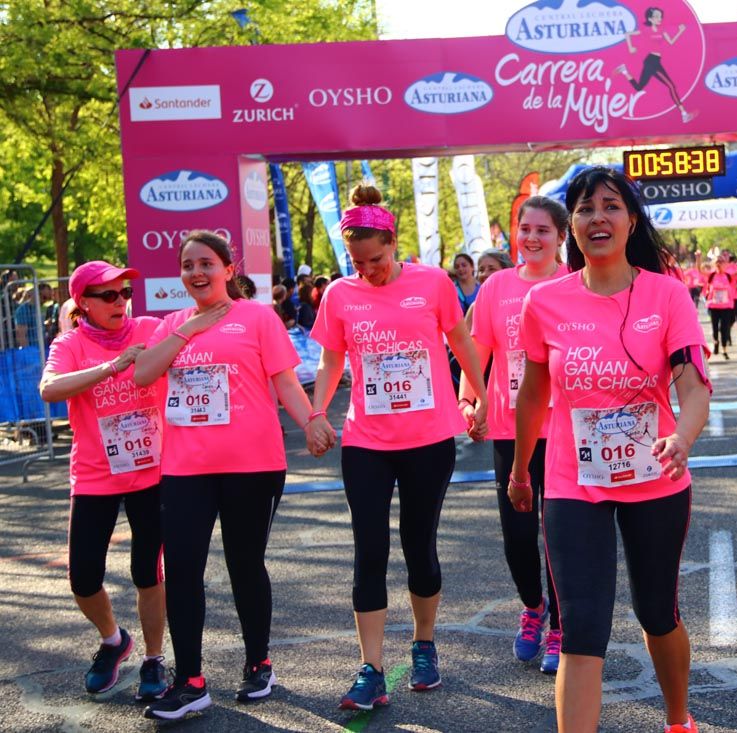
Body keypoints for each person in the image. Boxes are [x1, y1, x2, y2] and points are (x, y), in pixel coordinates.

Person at [510, 167, 710, 733]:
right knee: (582, 627)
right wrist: (521, 470)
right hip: (575, 485)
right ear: (571, 225)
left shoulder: (667, 294)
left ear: (631, 219)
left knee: (657, 613)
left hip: (656, 478)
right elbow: (532, 394)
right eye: (585, 208)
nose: (598, 217)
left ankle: (678, 719)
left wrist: (683, 436)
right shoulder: (544, 303)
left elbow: (693, 384)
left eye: (611, 206)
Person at [307, 184, 488, 711]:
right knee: (370, 551)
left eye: (377, 260)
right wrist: (317, 413)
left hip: (429, 439)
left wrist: (480, 398)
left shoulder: (432, 283)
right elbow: (330, 362)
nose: (369, 271)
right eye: (358, 263)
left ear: (394, 243)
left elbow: (462, 344)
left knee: (418, 547)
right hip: (366, 441)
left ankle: (424, 644)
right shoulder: (341, 295)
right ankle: (371, 668)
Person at [134, 231, 321, 720]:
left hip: (252, 466)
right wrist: (188, 331)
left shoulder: (257, 317)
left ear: (228, 268)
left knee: (244, 564)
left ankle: (258, 661)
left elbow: (284, 381)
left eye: (206, 264)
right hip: (184, 469)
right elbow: (142, 374)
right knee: (182, 571)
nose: (197, 273)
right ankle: (190, 680)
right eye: (188, 266)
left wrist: (312, 421)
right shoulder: (171, 325)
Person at [38, 261, 168, 702]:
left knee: (147, 572)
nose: (120, 302)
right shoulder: (69, 343)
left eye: (124, 293)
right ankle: (113, 640)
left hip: (152, 471)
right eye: (108, 296)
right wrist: (113, 367)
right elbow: (50, 389)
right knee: (83, 577)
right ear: (83, 304)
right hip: (96, 475)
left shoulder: (150, 328)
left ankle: (154, 659)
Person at [458, 196, 568, 674]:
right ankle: (533, 606)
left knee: (561, 532)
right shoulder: (498, 286)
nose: (532, 238)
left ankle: (562, 625)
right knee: (517, 535)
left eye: (543, 230)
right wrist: (469, 400)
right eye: (525, 229)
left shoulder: (575, 282)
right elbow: (477, 348)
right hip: (510, 426)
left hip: (567, 425)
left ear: (561, 237)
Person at [615, 7, 695, 123]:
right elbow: (628, 34)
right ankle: (684, 114)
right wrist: (630, 47)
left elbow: (671, 42)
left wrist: (680, 31)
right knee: (671, 86)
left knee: (639, 87)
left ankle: (624, 71)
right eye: (656, 16)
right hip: (652, 62)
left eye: (660, 16)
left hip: (654, 61)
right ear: (650, 19)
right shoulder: (645, 30)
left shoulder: (662, 30)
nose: (659, 18)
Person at [702, 250, 736, 359]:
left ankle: (724, 349)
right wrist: (698, 258)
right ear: (714, 263)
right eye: (717, 261)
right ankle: (715, 342)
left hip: (726, 306)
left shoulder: (728, 276)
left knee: (724, 328)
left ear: (725, 264)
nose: (719, 263)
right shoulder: (711, 276)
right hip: (713, 306)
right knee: (715, 327)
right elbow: (699, 269)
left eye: (721, 261)